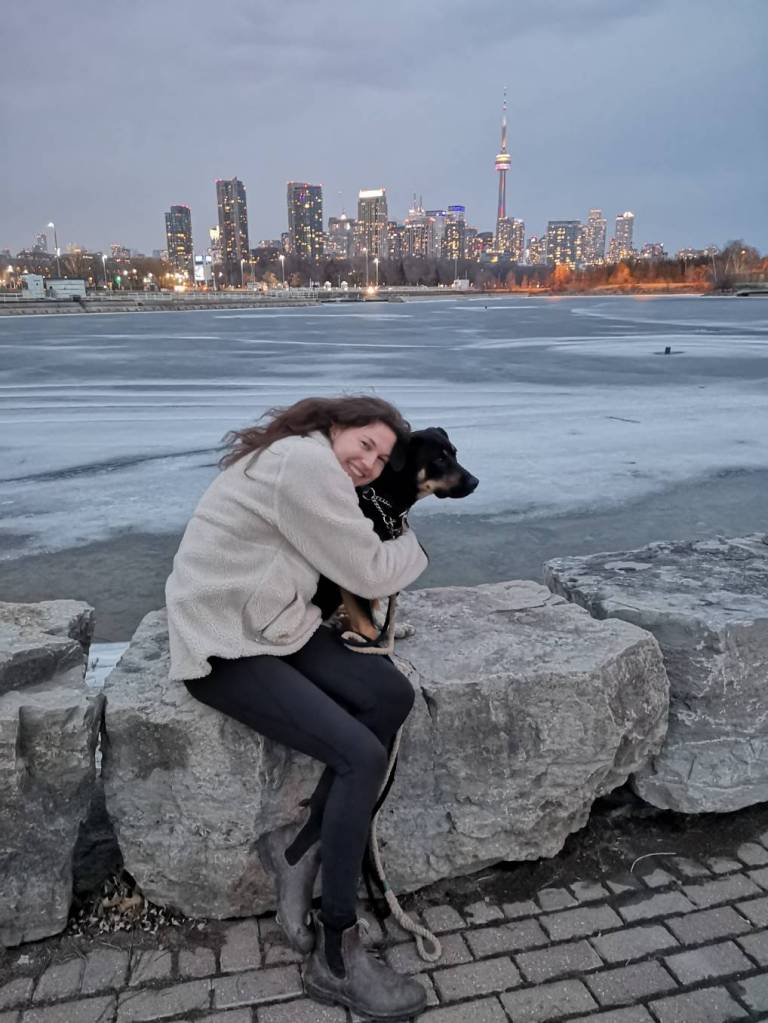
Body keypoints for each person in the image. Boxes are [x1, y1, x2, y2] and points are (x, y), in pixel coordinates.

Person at [165, 395, 429, 1020]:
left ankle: (298, 848)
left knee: (392, 693)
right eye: (364, 444)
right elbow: (370, 568)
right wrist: (413, 542)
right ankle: (337, 950)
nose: (369, 462)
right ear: (335, 427)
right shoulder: (303, 466)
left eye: (383, 458)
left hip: (274, 624)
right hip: (223, 642)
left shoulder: (307, 460)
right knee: (360, 755)